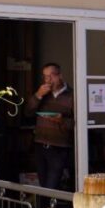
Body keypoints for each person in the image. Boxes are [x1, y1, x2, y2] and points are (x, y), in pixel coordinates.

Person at [24, 63, 73, 191]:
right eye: (45, 76)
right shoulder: (42, 94)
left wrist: (62, 120)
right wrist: (38, 95)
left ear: (60, 76)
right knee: (43, 185)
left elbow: (79, 123)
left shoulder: (72, 95)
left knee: (51, 187)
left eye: (52, 76)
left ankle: (49, 204)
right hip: (40, 145)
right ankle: (48, 204)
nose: (48, 80)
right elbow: (27, 112)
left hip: (59, 147)